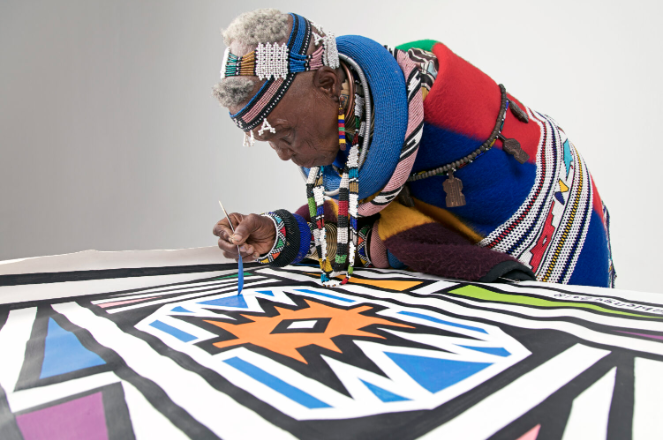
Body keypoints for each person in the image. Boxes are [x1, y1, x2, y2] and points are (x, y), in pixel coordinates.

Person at [211, 9, 616, 288]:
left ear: (329, 85)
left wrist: (358, 240)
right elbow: (360, 221)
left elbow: (415, 242)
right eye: (268, 141)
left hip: (546, 211)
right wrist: (279, 233)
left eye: (284, 135)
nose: (283, 153)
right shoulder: (336, 138)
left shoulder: (446, 108)